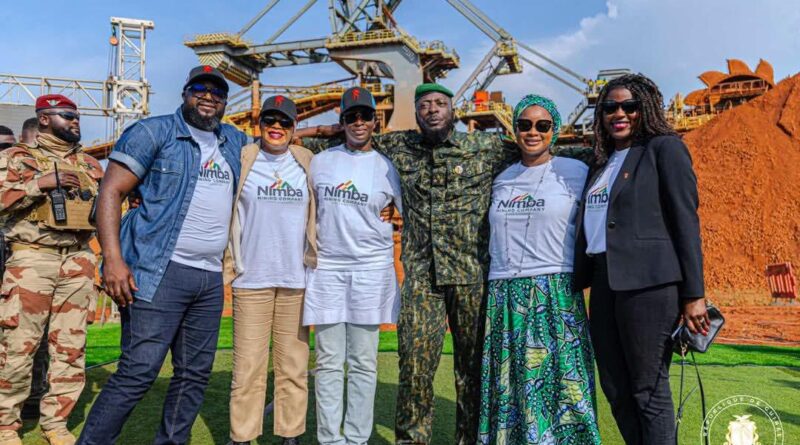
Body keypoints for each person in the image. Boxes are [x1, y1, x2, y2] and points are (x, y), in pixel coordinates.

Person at [299, 83, 592, 445]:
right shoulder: (398, 146)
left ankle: (469, 439)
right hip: (422, 278)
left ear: (453, 111)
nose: (432, 109)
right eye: (425, 105)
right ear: (417, 113)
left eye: (440, 103)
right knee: (414, 366)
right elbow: (345, 140)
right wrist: (323, 128)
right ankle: (412, 440)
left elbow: (542, 148)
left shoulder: (483, 147)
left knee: (471, 369)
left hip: (471, 276)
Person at [77, 66, 247, 445]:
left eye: (217, 92)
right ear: (185, 92)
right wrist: (114, 260)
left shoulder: (234, 141)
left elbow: (274, 145)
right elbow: (111, 191)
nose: (208, 96)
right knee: (139, 370)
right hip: (159, 270)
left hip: (209, 277)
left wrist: (325, 134)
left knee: (193, 375)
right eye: (200, 88)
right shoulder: (154, 132)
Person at [572, 73, 708, 445]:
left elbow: (685, 221)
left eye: (629, 106)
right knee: (615, 385)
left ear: (644, 108)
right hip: (604, 281)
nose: (619, 114)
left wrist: (694, 294)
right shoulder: (601, 163)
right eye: (610, 107)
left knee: (648, 387)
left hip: (650, 284)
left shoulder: (664, 149)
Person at [478, 95, 601, 444]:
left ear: (554, 130)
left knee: (565, 380)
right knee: (513, 381)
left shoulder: (575, 171)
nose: (533, 132)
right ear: (515, 129)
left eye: (542, 125)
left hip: (556, 290)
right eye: (525, 124)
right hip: (505, 290)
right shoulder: (501, 179)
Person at [0, 95, 103, 445]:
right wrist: (38, 185)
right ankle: (6, 425)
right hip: (33, 258)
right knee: (18, 346)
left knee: (70, 348)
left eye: (77, 117)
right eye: (67, 115)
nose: (75, 121)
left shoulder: (90, 164)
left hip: (78, 258)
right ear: (44, 119)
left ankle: (56, 423)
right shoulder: (16, 158)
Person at [305, 87, 402, 445]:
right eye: (351, 116)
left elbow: (408, 214)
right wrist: (317, 131)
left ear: (376, 121)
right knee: (328, 361)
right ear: (342, 121)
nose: (359, 122)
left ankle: (358, 439)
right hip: (327, 270)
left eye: (365, 116)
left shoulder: (388, 167)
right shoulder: (320, 162)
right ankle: (330, 439)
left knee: (363, 362)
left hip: (371, 271)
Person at [223, 95, 316, 445]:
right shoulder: (243, 158)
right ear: (259, 125)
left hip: (296, 280)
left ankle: (290, 434)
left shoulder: (307, 161)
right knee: (248, 367)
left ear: (294, 128)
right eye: (270, 121)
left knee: (293, 367)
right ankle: (242, 436)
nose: (276, 127)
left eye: (284, 122)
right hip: (251, 280)